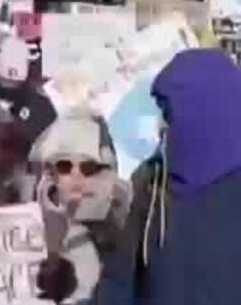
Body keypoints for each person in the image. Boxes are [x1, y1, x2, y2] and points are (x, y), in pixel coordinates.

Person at [94, 49, 241, 305]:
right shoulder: (150, 181)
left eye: (170, 112)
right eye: (161, 111)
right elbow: (119, 279)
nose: (162, 125)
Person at [30, 113, 131, 304]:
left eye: (88, 167)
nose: (76, 175)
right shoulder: (32, 221)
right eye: (65, 166)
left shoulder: (128, 222)